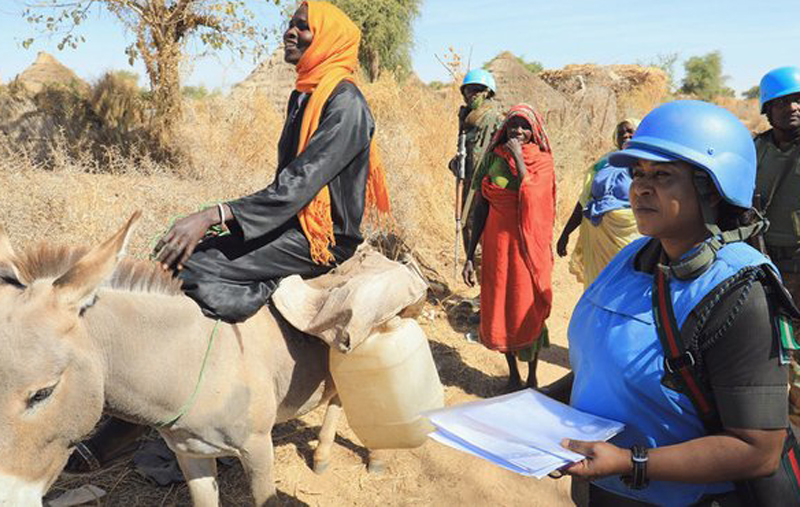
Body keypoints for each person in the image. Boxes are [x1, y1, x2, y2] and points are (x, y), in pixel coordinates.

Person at [64, 0, 389, 474]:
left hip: (323, 236)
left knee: (200, 266)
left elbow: (298, 185)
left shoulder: (346, 103)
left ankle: (208, 408)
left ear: (328, 39)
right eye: (290, 23)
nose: (290, 32)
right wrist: (222, 223)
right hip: (292, 220)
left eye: (303, 27)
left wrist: (217, 214)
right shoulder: (306, 93)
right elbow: (288, 186)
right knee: (175, 256)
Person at [560, 100, 799, 506]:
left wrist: (631, 462)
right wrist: (532, 407)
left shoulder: (741, 292)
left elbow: (758, 449)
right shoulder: (632, 259)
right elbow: (603, 367)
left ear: (713, 188)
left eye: (662, 175)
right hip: (603, 491)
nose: (640, 188)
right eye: (638, 173)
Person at [462, 104, 555, 391]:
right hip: (497, 247)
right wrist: (469, 255)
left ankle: (532, 377)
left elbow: (536, 199)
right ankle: (513, 374)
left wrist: (518, 157)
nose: (518, 131)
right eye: (514, 124)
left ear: (534, 131)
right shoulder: (494, 157)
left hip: (528, 247)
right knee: (501, 305)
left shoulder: (543, 161)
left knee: (527, 306)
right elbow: (481, 207)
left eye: (525, 126)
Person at [753, 66, 800, 426]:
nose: (794, 107)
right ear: (767, 110)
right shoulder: (754, 150)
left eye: (798, 100)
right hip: (762, 260)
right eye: (783, 102)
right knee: (768, 338)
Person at [557, 119, 641, 289]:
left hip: (629, 239)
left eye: (630, 131)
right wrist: (565, 233)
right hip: (597, 241)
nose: (625, 135)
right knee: (599, 290)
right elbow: (584, 200)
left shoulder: (645, 164)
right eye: (621, 133)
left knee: (625, 289)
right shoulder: (603, 163)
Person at [449, 69, 505, 255]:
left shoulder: (495, 119)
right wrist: (456, 164)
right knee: (468, 225)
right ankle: (472, 263)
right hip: (469, 183)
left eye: (477, 90)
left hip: (487, 185)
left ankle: (482, 267)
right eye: (469, 90)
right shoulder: (467, 119)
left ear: (487, 92)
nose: (472, 94)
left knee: (484, 229)